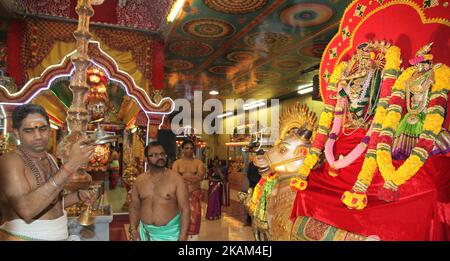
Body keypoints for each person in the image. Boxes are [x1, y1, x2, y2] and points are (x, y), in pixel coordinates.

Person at [0, 104, 97, 241]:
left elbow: (52, 202)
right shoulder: (10, 161)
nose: (38, 136)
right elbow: (27, 210)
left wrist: (78, 197)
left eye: (42, 129)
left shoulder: (49, 157)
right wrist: (71, 165)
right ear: (16, 133)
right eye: (29, 131)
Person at [129, 141, 189, 241]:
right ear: (146, 159)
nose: (160, 157)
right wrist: (133, 229)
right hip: (145, 234)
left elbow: (185, 210)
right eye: (154, 155)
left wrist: (182, 237)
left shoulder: (176, 179)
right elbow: (134, 207)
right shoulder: (139, 180)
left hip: (170, 235)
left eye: (162, 154)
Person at [172, 139, 205, 240]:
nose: (189, 150)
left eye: (191, 148)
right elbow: (174, 178)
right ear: (182, 149)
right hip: (181, 196)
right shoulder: (177, 163)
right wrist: (192, 177)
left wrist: (184, 176)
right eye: (186, 148)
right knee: (180, 218)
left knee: (194, 218)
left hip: (194, 195)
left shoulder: (198, 162)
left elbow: (200, 177)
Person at [246, 149, 264, 226]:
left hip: (255, 186)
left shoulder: (253, 164)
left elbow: (248, 174)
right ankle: (251, 220)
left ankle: (253, 221)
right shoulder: (258, 164)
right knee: (252, 203)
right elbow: (248, 174)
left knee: (254, 203)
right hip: (256, 186)